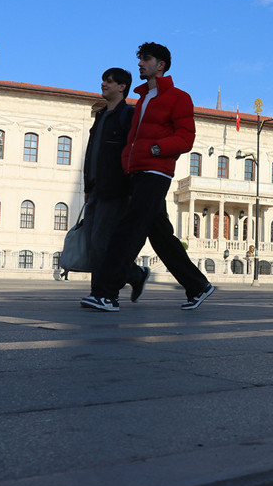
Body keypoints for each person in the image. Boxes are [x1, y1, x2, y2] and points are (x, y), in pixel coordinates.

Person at [81, 42, 214, 312]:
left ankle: (106, 294)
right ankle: (198, 285)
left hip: (155, 172)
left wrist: (157, 149)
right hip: (136, 172)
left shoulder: (178, 97)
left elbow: (186, 138)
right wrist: (126, 163)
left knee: (128, 231)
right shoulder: (143, 100)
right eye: (140, 59)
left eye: (146, 59)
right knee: (161, 235)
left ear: (161, 65)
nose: (140, 63)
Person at [82, 68, 149, 301]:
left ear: (122, 87)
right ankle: (134, 275)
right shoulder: (100, 115)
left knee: (101, 242)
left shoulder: (127, 115)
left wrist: (130, 188)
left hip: (114, 189)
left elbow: (132, 152)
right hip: (95, 188)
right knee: (94, 243)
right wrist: (87, 187)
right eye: (103, 80)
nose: (103, 84)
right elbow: (91, 154)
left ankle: (102, 294)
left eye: (109, 81)